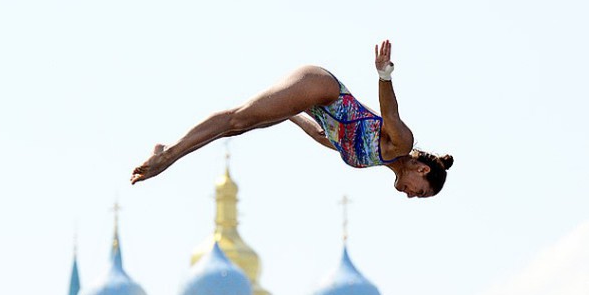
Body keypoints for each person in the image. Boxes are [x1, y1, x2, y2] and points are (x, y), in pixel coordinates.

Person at [130, 40, 453, 198]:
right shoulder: (401, 144)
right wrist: (384, 75)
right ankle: (168, 156)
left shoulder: (369, 160)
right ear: (422, 170)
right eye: (420, 191)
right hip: (324, 89)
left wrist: (286, 114)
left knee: (242, 128)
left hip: (312, 105)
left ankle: (168, 151)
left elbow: (322, 135)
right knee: (238, 121)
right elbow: (389, 113)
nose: (411, 195)